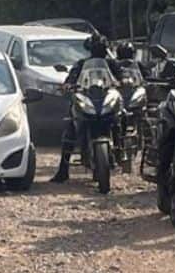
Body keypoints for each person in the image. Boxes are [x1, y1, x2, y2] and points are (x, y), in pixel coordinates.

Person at [50, 35, 124, 183]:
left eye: (101, 48)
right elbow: (71, 78)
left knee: (121, 117)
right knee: (70, 126)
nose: (99, 50)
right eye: (97, 48)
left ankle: (120, 150)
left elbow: (122, 76)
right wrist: (68, 85)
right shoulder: (81, 64)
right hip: (87, 97)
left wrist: (124, 81)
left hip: (105, 97)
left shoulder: (112, 64)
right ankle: (63, 170)